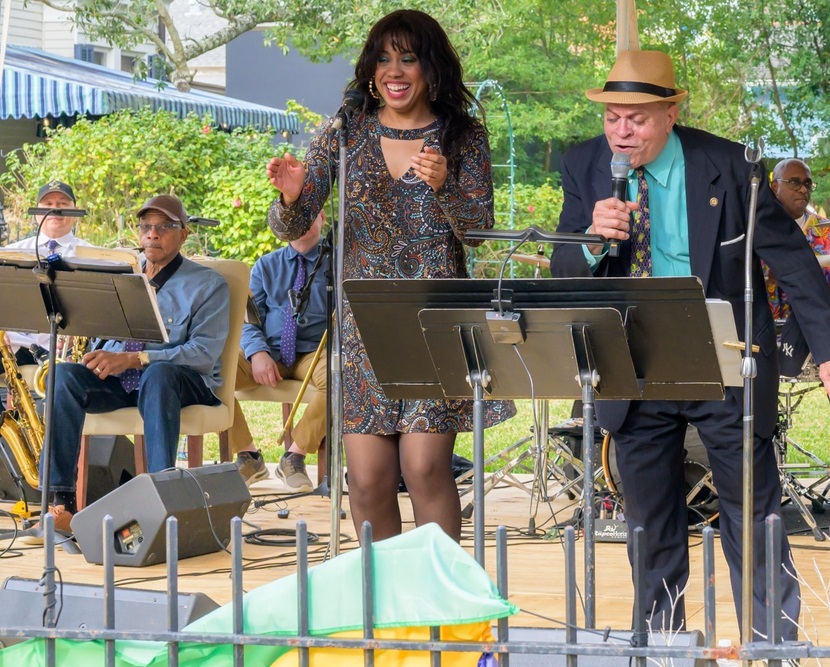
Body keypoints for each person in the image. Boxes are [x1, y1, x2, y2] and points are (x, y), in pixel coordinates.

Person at [549, 50, 830, 639]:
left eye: (636, 119)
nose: (621, 132)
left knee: (753, 515)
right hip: (633, 361)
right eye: (613, 116)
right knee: (650, 526)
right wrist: (591, 239)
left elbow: (792, 260)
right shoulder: (585, 164)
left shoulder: (729, 166)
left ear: (670, 112)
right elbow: (562, 267)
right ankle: (663, 646)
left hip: (724, 357)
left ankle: (773, 647)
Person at [265, 9, 514, 543]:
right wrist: (290, 193)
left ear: (431, 68)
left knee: (424, 468)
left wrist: (446, 185)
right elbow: (294, 220)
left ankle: (443, 612)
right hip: (364, 327)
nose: (393, 70)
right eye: (383, 58)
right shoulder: (346, 130)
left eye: (408, 58)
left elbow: (477, 230)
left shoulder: (462, 134)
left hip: (435, 323)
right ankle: (383, 612)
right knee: (370, 480)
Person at [45, 194, 230, 532]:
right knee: (63, 377)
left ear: (183, 234)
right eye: (146, 226)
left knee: (158, 374)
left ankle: (162, 501)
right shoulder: (123, 277)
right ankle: (61, 504)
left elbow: (203, 352)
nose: (153, 234)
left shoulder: (208, 284)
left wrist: (136, 358)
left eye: (164, 227)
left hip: (180, 383)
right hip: (122, 382)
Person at [765, 158, 830, 489]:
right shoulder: (755, 226)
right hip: (759, 334)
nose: (803, 189)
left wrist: (825, 291)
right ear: (773, 185)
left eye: (808, 183)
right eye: (794, 182)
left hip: (809, 338)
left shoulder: (827, 234)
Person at [232, 211, 329, 492]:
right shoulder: (265, 266)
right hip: (269, 350)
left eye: (308, 214)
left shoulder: (337, 263)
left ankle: (295, 455)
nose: (301, 222)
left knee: (341, 379)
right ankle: (249, 457)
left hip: (314, 351)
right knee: (213, 375)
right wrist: (257, 352)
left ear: (321, 217)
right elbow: (248, 317)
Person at [3, 180, 92, 365]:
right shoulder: (9, 253)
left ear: (75, 211)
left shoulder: (91, 255)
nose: (55, 210)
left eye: (62, 204)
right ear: (36, 212)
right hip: (13, 344)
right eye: (48, 204)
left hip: (62, 350)